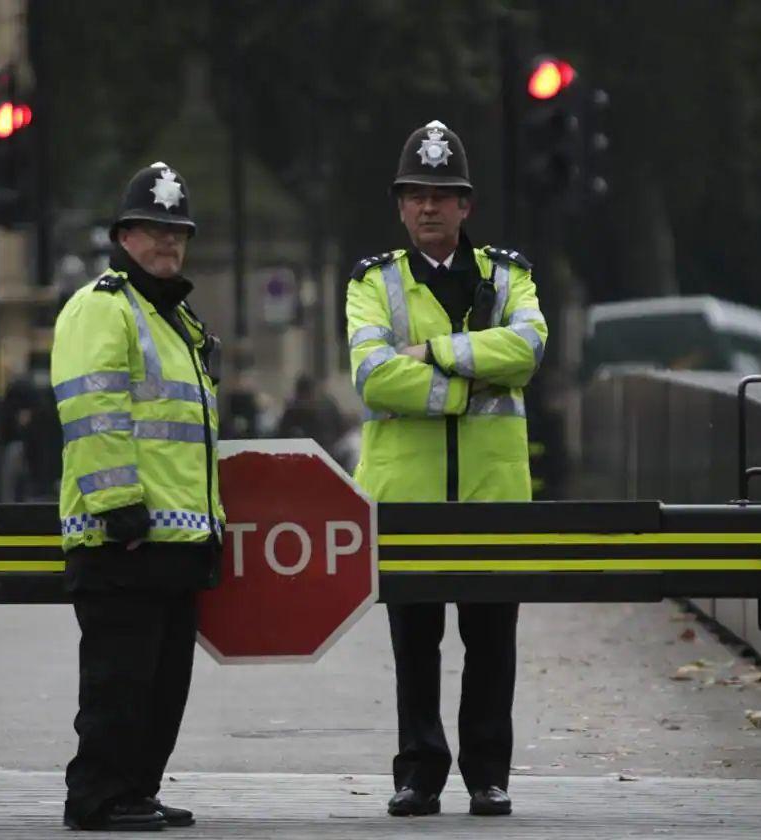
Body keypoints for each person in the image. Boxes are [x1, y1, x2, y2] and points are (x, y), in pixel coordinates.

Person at [346, 120, 548, 818]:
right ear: (400, 206)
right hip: (406, 496)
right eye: (415, 195)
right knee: (416, 644)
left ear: (466, 205)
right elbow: (372, 377)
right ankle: (419, 773)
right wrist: (470, 381)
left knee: (492, 639)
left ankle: (488, 774)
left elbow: (528, 349)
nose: (428, 207)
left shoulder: (510, 275)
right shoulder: (375, 283)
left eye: (442, 194)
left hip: (493, 493)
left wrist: (431, 355)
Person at [54, 162, 223, 832]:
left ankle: (135, 790)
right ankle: (97, 796)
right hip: (122, 534)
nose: (166, 244)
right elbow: (95, 409)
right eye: (152, 231)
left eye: (176, 233)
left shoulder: (177, 318)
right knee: (118, 684)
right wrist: (118, 502)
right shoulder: (103, 306)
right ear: (122, 235)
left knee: (160, 686)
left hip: (176, 538)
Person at [275, 374, 348, 451]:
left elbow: (340, 429)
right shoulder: (293, 411)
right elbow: (282, 435)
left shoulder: (327, 407)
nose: (307, 401)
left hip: (326, 450)